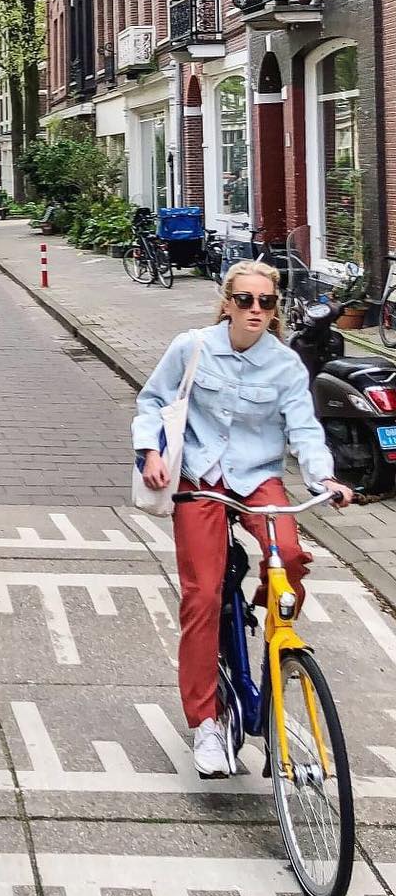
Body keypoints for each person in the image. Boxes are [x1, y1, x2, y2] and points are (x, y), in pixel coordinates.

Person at [133, 260, 354, 778]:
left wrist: (325, 479)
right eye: (247, 300)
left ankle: (271, 613)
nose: (257, 310)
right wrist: (151, 454)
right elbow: (151, 402)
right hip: (201, 481)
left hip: (257, 478)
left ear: (275, 308)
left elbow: (304, 429)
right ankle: (206, 724)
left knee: (293, 555)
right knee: (203, 596)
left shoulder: (285, 366)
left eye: (267, 302)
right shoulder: (192, 347)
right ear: (228, 302)